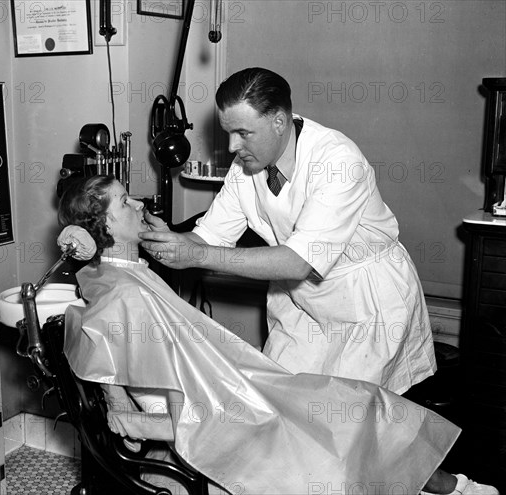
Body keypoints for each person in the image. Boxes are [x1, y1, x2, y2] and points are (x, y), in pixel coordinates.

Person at [56, 175, 498, 495]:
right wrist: (132, 416)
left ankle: (446, 487)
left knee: (359, 405)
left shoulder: (115, 277)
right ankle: (455, 489)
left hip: (234, 390)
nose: (138, 203)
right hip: (223, 411)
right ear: (105, 227)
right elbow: (168, 390)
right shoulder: (125, 295)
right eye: (124, 202)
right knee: (356, 416)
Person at [138, 67, 436, 396]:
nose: (232, 145)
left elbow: (297, 262)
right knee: (278, 407)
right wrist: (172, 243)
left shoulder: (337, 160)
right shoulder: (245, 168)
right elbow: (209, 237)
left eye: (242, 132)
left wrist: (197, 254)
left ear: (279, 122)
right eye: (228, 132)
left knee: (345, 425)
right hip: (299, 303)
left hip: (365, 304)